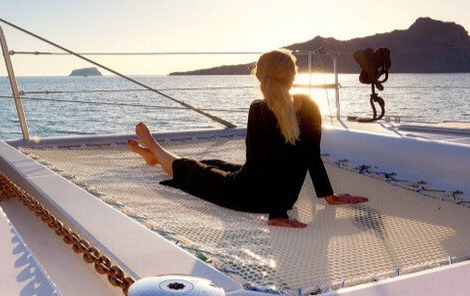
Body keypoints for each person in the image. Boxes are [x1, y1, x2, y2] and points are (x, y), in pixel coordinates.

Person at [126, 49, 368, 228]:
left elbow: (262, 164)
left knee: (190, 170)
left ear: (261, 77)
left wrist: (277, 214)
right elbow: (311, 157)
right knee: (217, 163)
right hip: (280, 196)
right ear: (293, 76)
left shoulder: (259, 109)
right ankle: (154, 159)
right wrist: (329, 196)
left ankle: (155, 148)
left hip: (247, 196)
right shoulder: (311, 106)